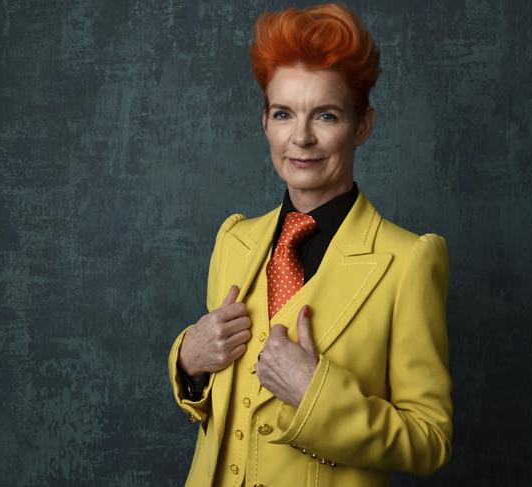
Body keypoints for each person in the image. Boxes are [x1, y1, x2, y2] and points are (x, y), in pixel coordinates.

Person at [168, 3, 452, 486]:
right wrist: (189, 361)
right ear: (265, 123)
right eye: (283, 114)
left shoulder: (408, 262)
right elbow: (222, 407)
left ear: (363, 126)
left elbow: (431, 441)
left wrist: (317, 395)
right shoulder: (234, 240)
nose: (300, 138)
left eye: (325, 115)